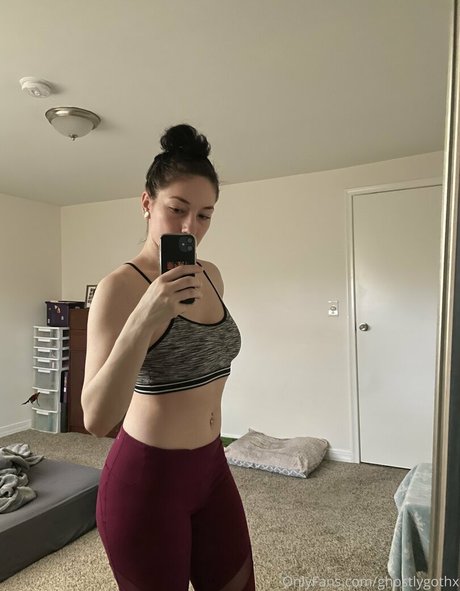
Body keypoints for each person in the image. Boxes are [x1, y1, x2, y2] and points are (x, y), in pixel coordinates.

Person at [81, 124, 256, 591]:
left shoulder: (211, 275)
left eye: (204, 215)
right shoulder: (119, 288)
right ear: (146, 203)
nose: (189, 228)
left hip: (213, 468)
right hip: (147, 481)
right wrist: (144, 319)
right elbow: (96, 418)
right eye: (177, 209)